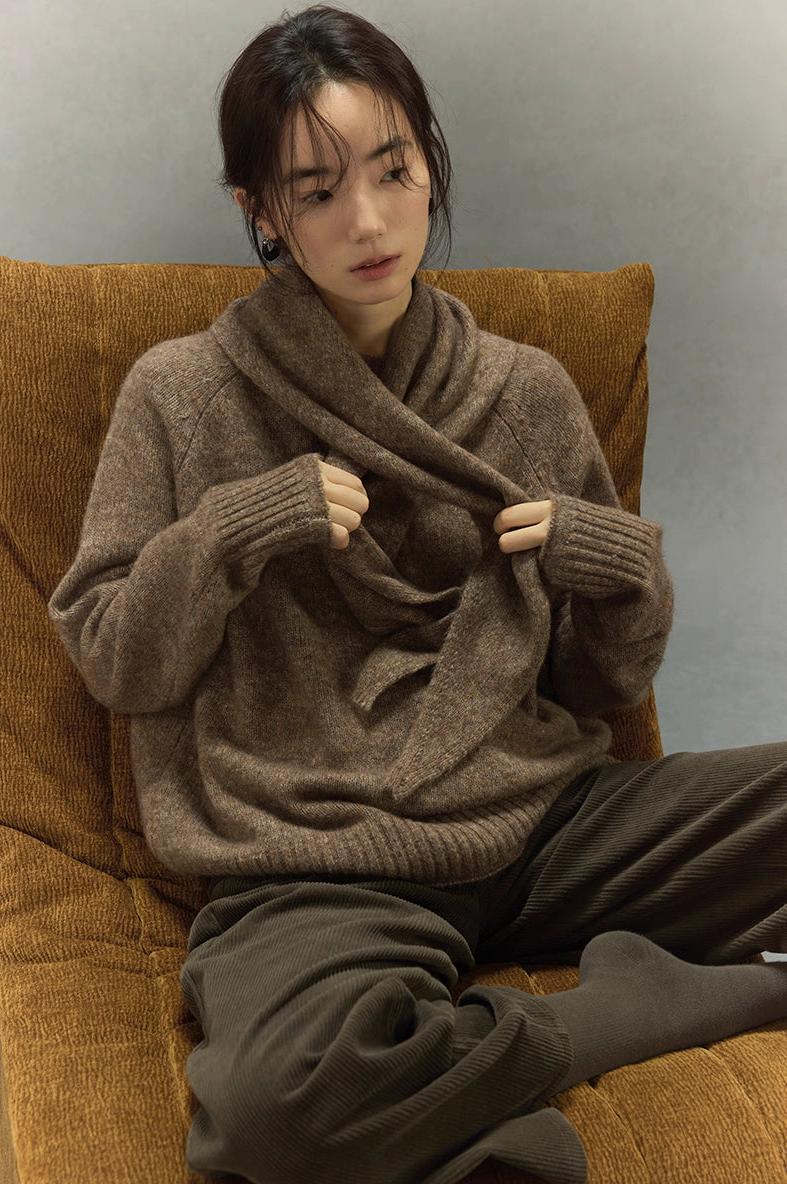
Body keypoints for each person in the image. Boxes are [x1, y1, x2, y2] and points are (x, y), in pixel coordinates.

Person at [48, 6, 787, 1183]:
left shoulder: (524, 392)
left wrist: (621, 569)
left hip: (542, 822)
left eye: (394, 169)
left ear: (429, 161)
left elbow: (605, 680)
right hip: (315, 857)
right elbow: (115, 654)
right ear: (261, 212)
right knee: (270, 1108)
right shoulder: (182, 393)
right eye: (319, 188)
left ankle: (451, 1112)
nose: (373, 218)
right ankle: (626, 1011)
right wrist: (237, 529)